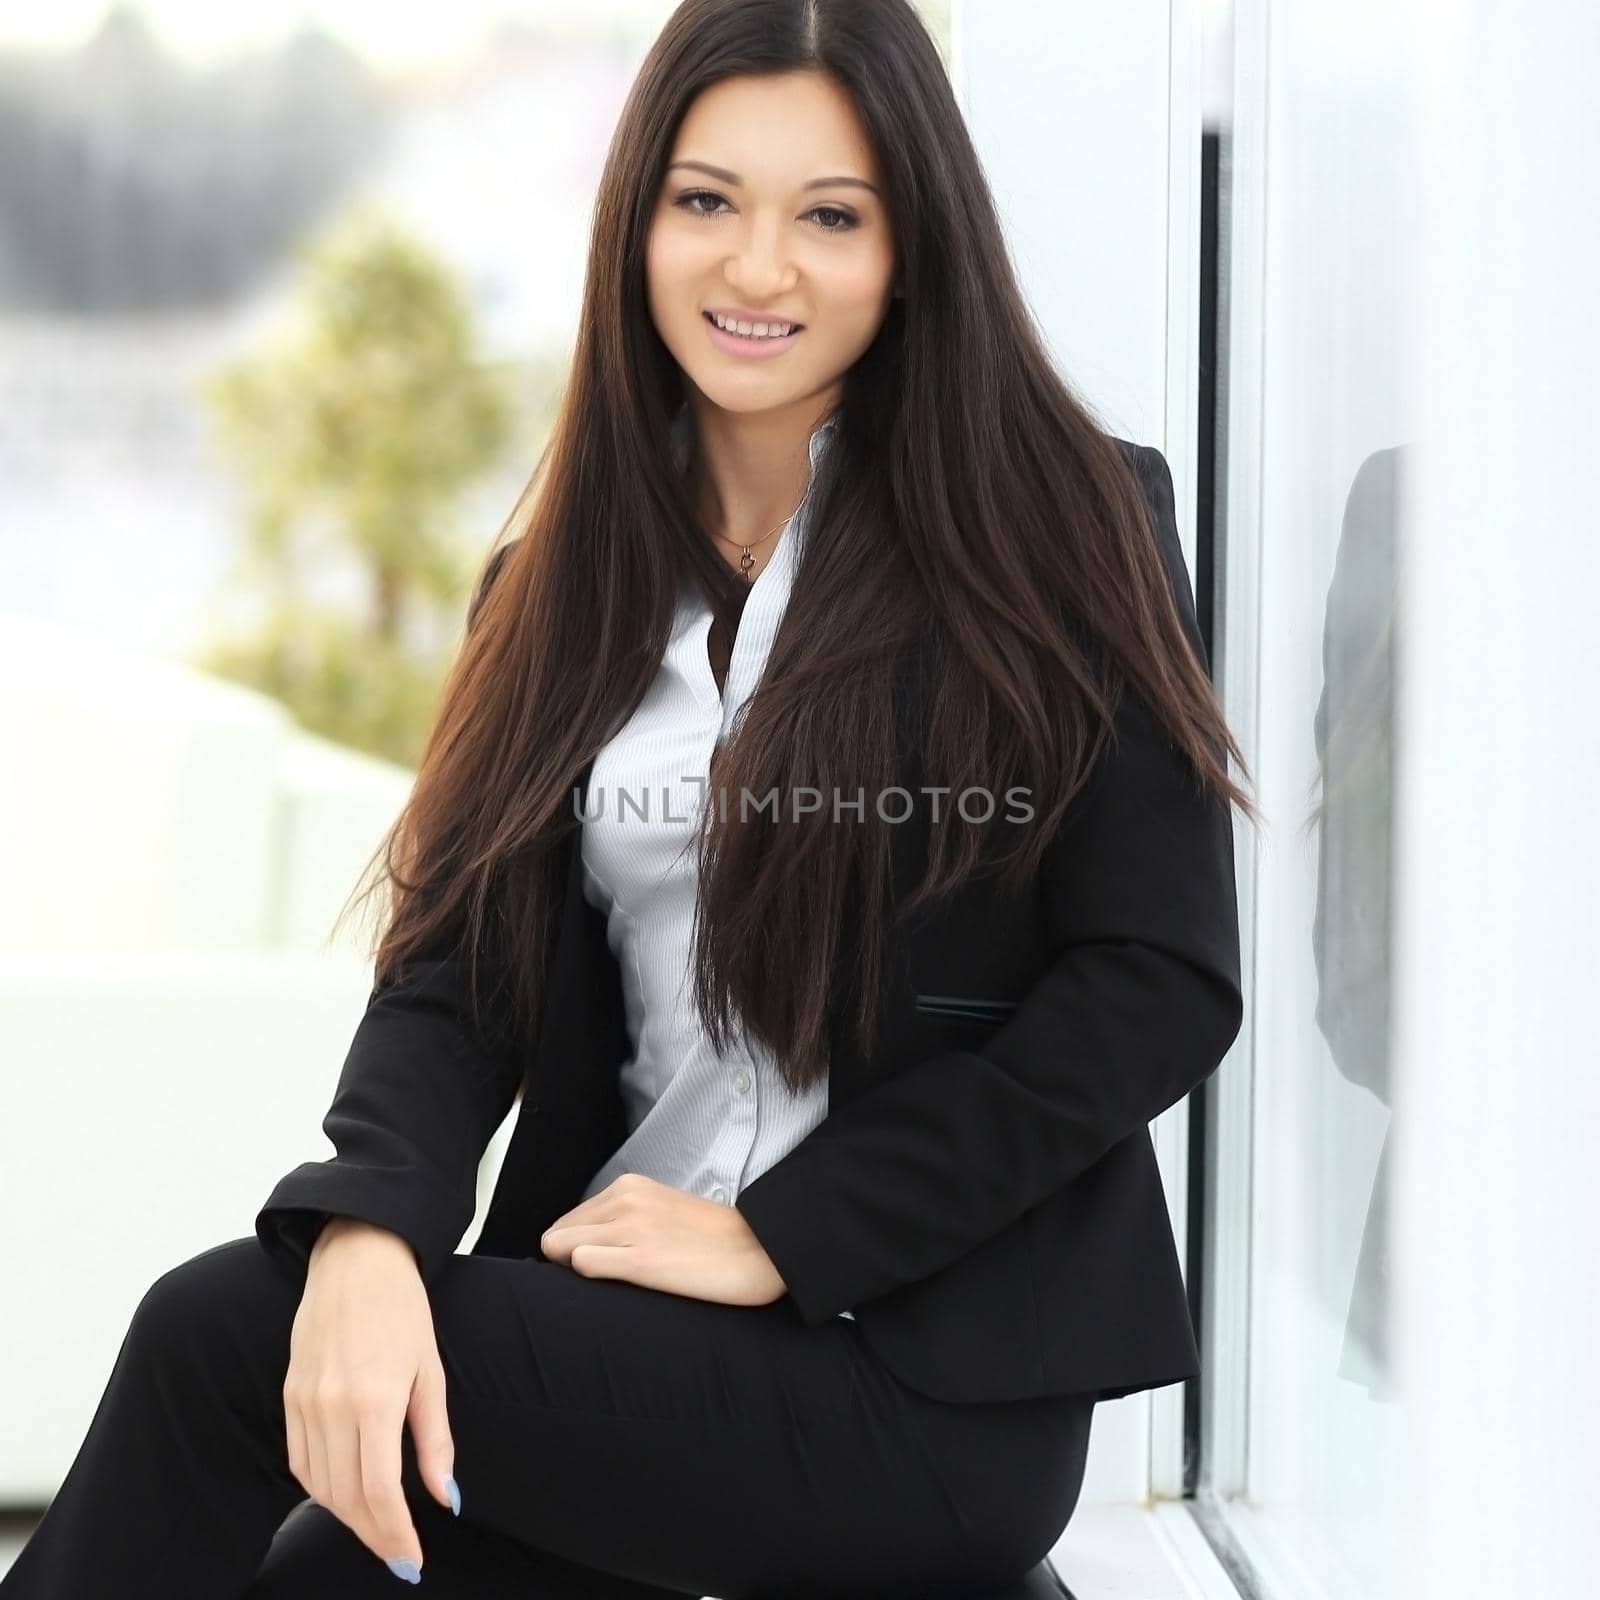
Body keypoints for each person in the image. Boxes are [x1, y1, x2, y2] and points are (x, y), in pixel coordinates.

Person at [0, 1, 1257, 1595]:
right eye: (707, 201)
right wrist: (370, 1231)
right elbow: (457, 979)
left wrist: (783, 1233)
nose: (757, 268)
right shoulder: (557, 584)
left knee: (209, 1343)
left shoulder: (1066, 525)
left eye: (830, 216)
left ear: (914, 239)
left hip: (919, 1377)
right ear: (638, 223)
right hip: (620, 1335)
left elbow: (1156, 983)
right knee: (322, 1570)